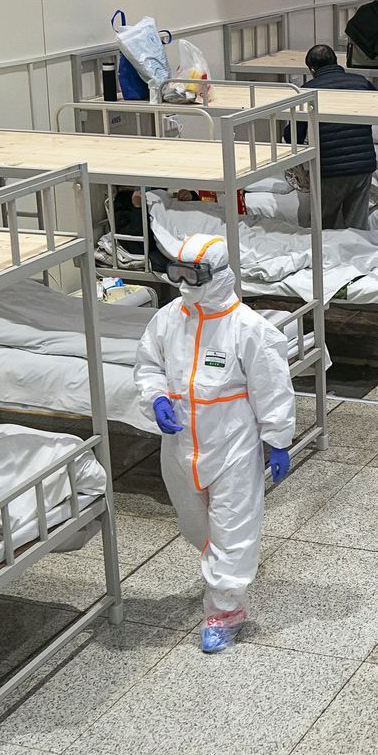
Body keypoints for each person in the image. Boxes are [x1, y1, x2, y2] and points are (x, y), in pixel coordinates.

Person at [134, 235, 296, 652]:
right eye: (178, 274)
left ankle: (225, 611)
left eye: (193, 275)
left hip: (232, 448)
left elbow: (273, 387)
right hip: (180, 447)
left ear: (219, 274)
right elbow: (147, 363)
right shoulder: (169, 318)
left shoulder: (248, 328)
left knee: (232, 531)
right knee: (195, 526)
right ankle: (221, 571)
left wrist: (277, 439)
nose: (185, 284)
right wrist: (155, 397)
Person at [288, 44, 378, 229]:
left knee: (324, 228)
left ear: (312, 69)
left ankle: (326, 258)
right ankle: (359, 256)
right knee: (358, 226)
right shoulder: (361, 82)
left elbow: (294, 137)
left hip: (329, 170)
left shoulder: (307, 91)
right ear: (337, 62)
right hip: (363, 166)